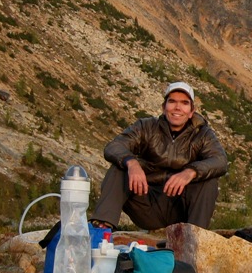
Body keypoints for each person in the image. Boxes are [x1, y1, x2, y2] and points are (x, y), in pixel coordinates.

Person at [89, 81, 228, 232]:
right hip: (147, 204)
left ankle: (193, 240)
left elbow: (220, 161)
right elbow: (114, 146)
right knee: (119, 168)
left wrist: (190, 172)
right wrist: (132, 163)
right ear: (164, 107)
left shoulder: (203, 134)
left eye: (184, 103)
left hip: (181, 209)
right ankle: (101, 231)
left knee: (209, 181)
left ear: (191, 111)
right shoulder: (146, 127)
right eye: (172, 101)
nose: (177, 107)